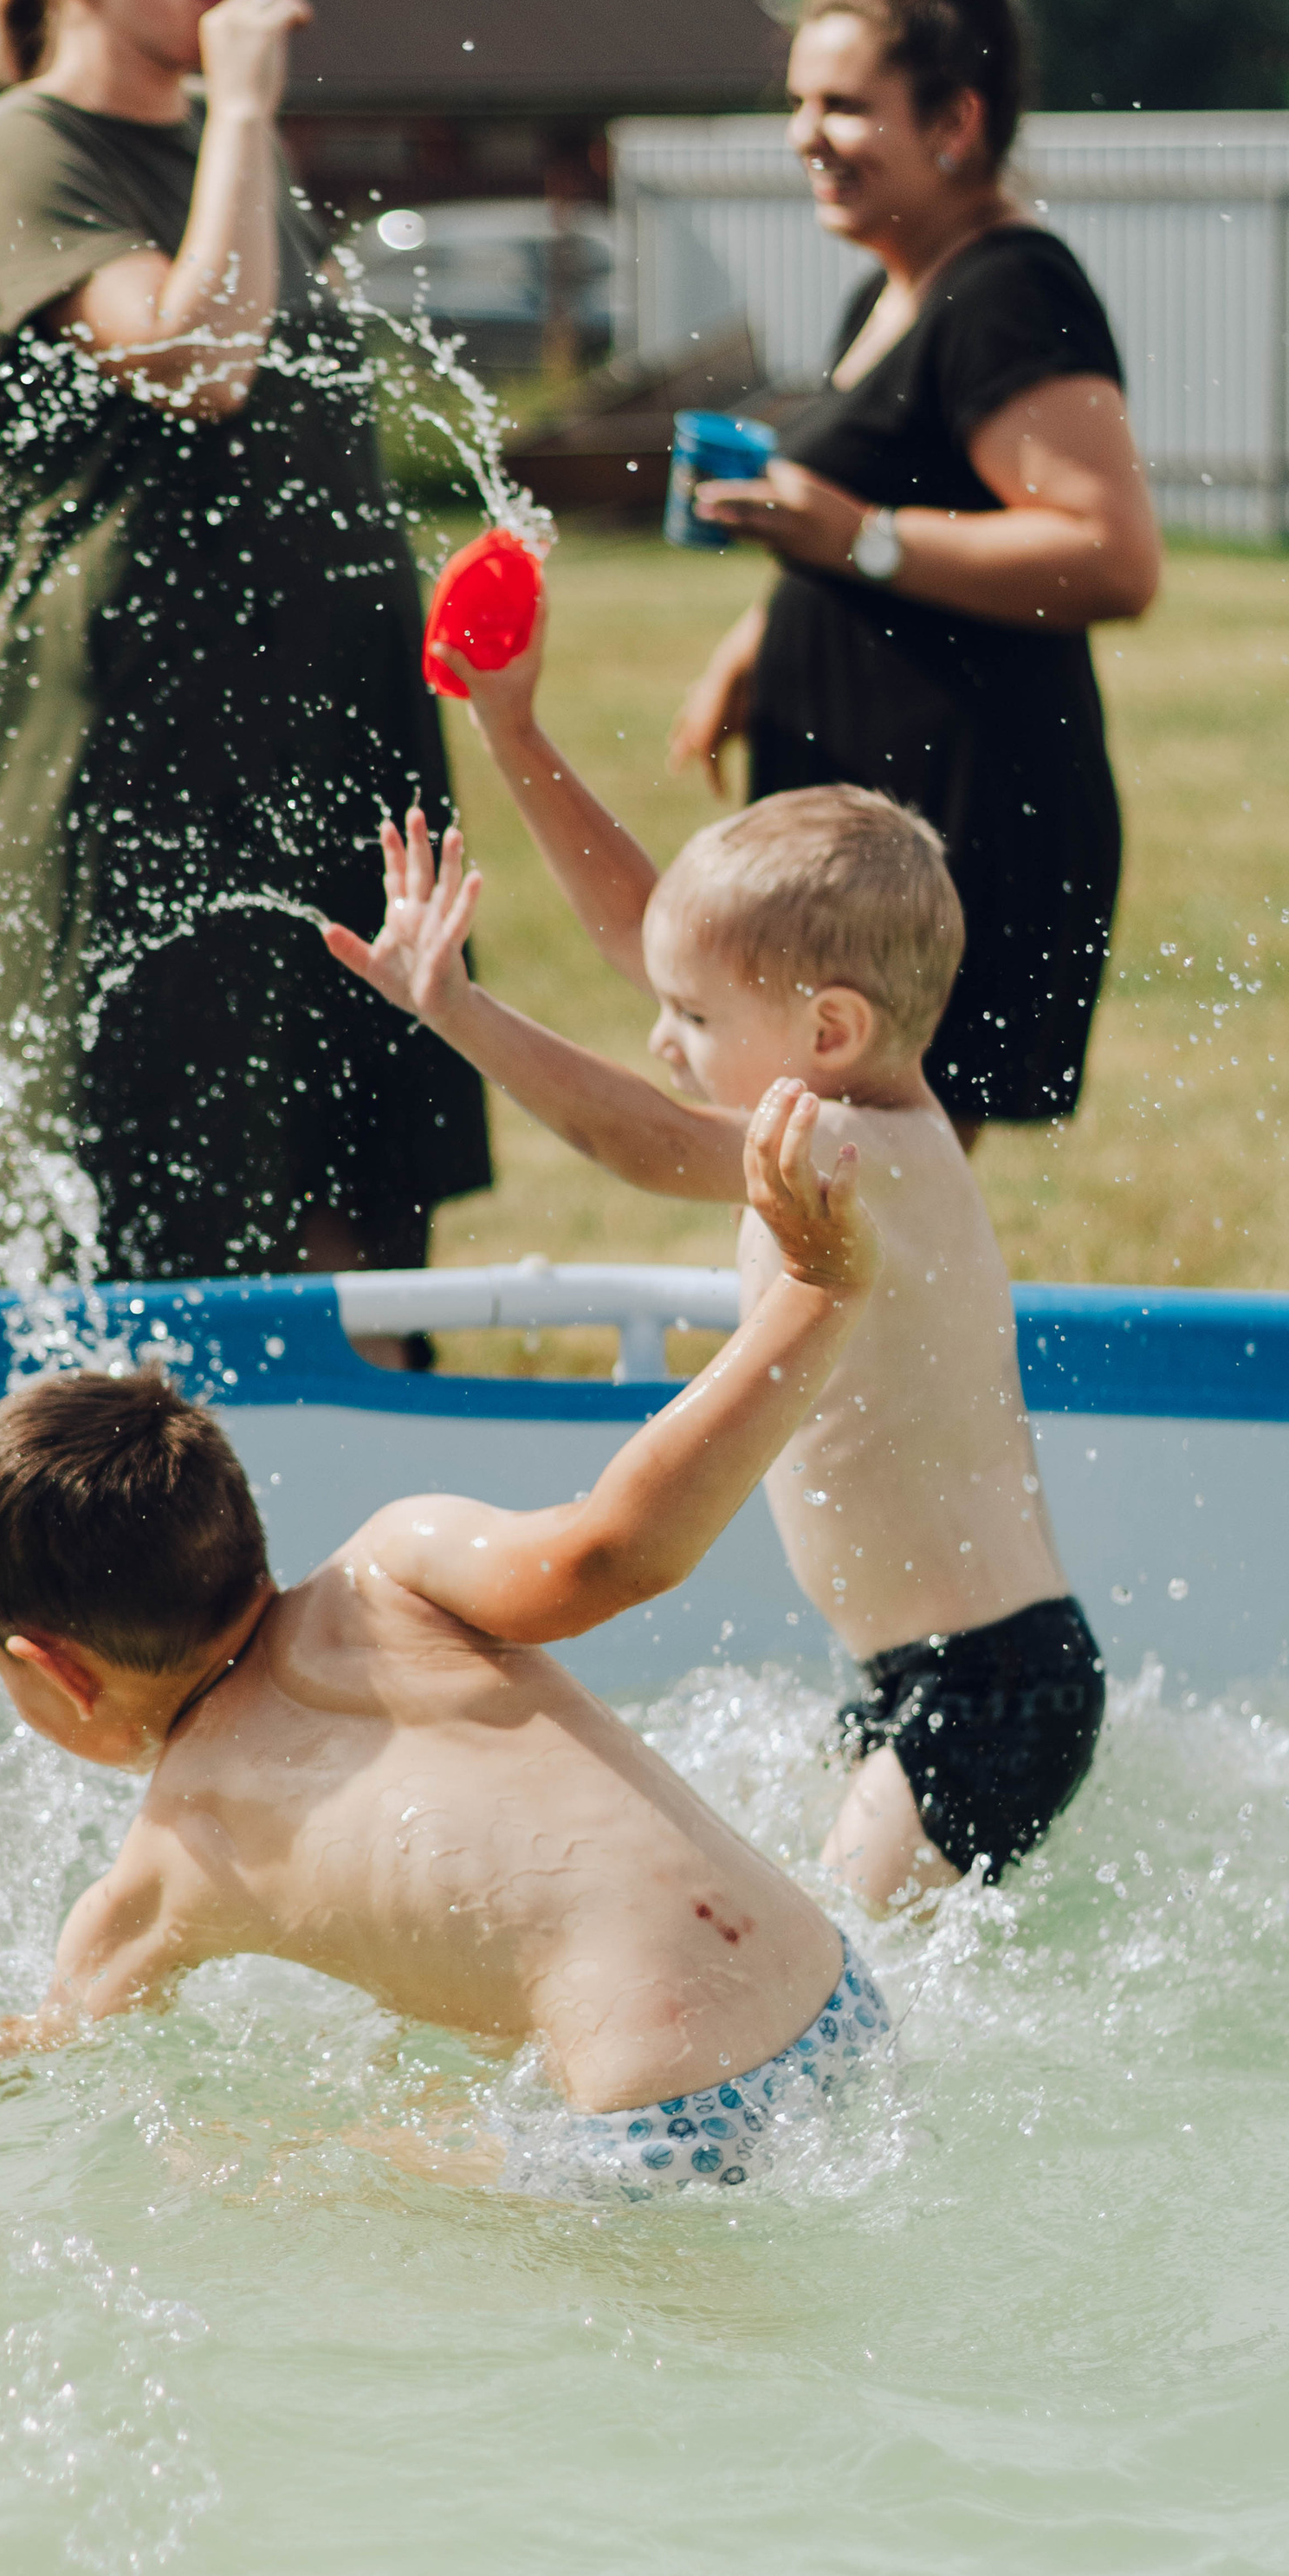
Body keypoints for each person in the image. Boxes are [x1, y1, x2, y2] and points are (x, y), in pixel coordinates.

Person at [0, 1080, 889, 2199]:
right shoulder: (395, 1565)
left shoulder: (168, 1859)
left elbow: (60, 2042)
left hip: (663, 2127)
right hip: (838, 2000)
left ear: (55, 1668)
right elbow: (611, 1554)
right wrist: (817, 1294)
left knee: (281, 2176)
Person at [327, 606, 1106, 1911]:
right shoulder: (848, 1094)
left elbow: (636, 1140)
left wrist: (457, 1010)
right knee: (817, 1941)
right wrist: (510, 731)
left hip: (991, 1689)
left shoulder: (870, 1154)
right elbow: (659, 936)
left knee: (843, 1972)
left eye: (692, 1018)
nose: (662, 1035)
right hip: (923, 1677)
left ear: (831, 1028)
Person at [0, 0, 489, 1290]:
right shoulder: (23, 150)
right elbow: (198, 364)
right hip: (148, 772)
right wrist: (238, 109)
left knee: (359, 1210)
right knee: (160, 1221)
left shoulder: (239, 165)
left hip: (327, 740)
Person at [670, 0, 1162, 1143]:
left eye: (843, 105)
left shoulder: (1009, 289)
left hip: (961, 817)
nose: (805, 134)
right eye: (797, 103)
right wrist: (758, 645)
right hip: (867, 804)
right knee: (835, 1200)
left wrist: (856, 540)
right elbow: (888, 510)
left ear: (956, 120)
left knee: (887, 1211)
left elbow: (1110, 557)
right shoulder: (892, 284)